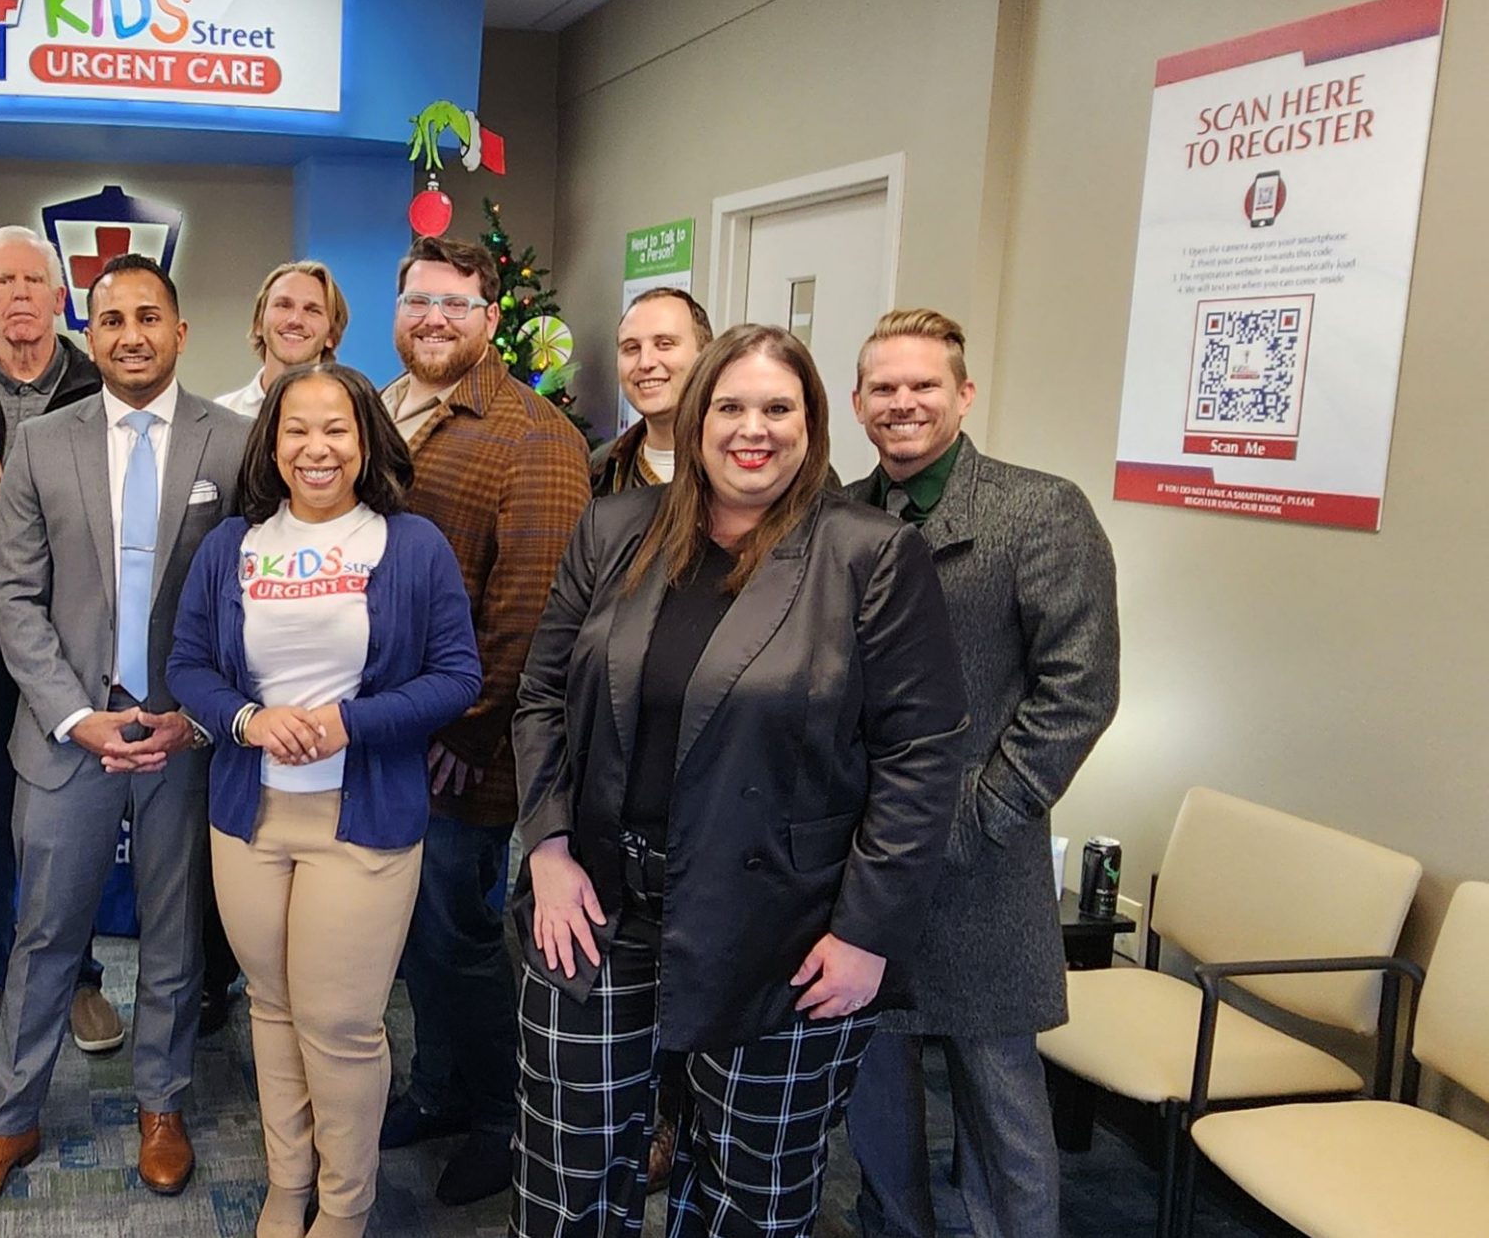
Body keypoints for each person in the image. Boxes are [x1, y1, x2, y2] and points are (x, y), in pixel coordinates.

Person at [509, 324, 970, 1238]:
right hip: (598, 902)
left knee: (748, 1191)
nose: (751, 428)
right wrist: (548, 850)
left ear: (812, 424)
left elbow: (921, 756)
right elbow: (541, 697)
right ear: (695, 417)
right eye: (729, 406)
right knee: (568, 1170)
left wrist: (866, 932)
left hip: (784, 927)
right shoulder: (615, 529)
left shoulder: (869, 554)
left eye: (777, 408)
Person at [0, 253, 252, 1220]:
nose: (131, 335)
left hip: (184, 734)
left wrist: (196, 714)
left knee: (173, 932)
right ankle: (10, 1117)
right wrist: (76, 713)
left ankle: (162, 1103)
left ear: (180, 331)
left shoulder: (236, 443)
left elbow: (249, 597)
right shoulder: (42, 443)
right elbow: (11, 593)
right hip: (67, 732)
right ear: (91, 332)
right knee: (44, 934)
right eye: (111, 319)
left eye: (149, 317)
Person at [166, 361, 483, 1238]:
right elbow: (188, 664)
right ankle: (288, 1182)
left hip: (363, 816)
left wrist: (351, 721)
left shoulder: (410, 545)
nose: (317, 447)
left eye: (337, 428)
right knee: (271, 1006)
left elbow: (458, 676)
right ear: (271, 444)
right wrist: (248, 719)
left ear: (366, 441)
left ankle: (346, 1205)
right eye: (296, 429)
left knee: (340, 1021)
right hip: (251, 814)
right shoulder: (232, 545)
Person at [842, 309, 1121, 1238]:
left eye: (924, 384)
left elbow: (1079, 691)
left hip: (980, 861)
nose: (903, 402)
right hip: (862, 857)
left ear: (964, 395)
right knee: (873, 1084)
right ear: (857, 403)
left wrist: (974, 814)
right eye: (884, 387)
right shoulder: (837, 514)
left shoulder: (1039, 512)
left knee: (1001, 1102)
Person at [376, 234, 591, 1205]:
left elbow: (533, 613)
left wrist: (466, 732)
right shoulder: (388, 408)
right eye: (418, 300)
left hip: (467, 750)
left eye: (455, 304)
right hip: (394, 734)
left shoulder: (533, 436)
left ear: (491, 318)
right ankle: (439, 1086)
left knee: (457, 938)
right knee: (417, 937)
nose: (433, 318)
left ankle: (506, 1117)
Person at [0, 224, 122, 1054]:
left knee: (73, 817)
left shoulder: (99, 385)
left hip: (75, 639)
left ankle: (79, 976)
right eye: (2, 281)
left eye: (31, 280)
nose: (18, 294)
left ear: (59, 298)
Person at [592, 287, 712, 495]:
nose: (645, 362)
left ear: (706, 355)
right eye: (632, 348)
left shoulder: (740, 462)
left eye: (664, 344)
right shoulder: (600, 471)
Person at [214, 261, 351, 416]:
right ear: (259, 322)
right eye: (283, 305)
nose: (295, 320)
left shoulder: (352, 415)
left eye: (312, 310)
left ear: (331, 334)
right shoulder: (222, 414)